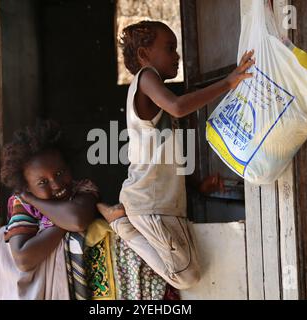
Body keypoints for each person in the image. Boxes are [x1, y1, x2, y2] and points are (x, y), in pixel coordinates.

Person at [97, 20, 255, 290]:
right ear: (144, 55)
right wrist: (229, 82)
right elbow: (179, 106)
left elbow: (171, 158)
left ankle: (125, 222)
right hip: (150, 203)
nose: (177, 56)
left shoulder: (157, 100)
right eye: (170, 48)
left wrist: (197, 185)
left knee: (187, 272)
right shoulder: (146, 78)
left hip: (162, 205)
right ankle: (122, 224)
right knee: (186, 277)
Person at [0, 120, 99, 300]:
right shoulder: (23, 204)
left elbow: (77, 220)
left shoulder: (83, 189)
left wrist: (33, 199)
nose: (56, 184)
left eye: (59, 173)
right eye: (42, 182)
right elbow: (23, 259)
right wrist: (63, 220)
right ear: (27, 187)